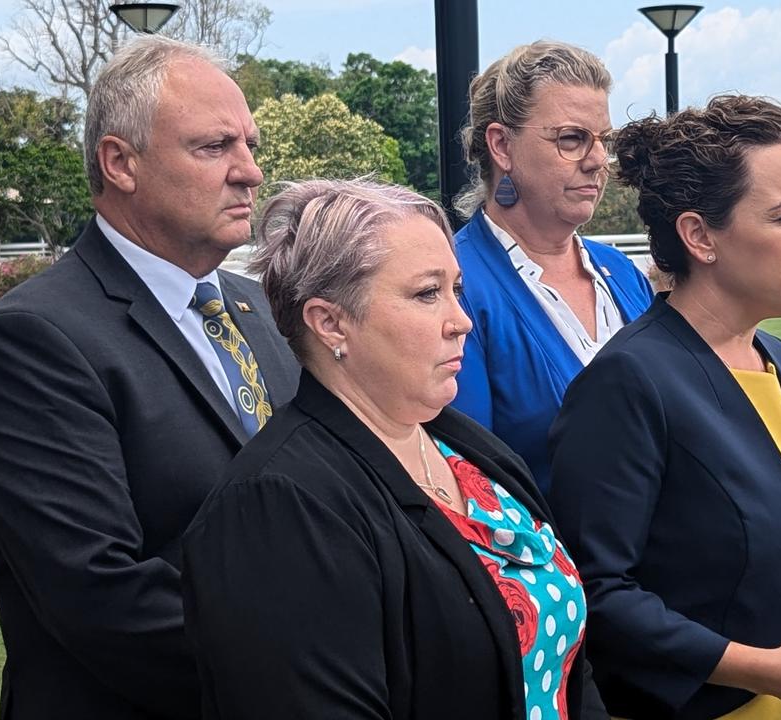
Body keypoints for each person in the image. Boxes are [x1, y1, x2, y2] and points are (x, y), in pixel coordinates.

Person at [182, 179, 606, 720]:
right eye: (427, 294)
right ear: (330, 322)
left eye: (457, 289)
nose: (462, 321)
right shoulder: (278, 506)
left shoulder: (467, 447)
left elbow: (571, 667)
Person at [0, 36, 298, 720]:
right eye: (215, 147)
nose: (250, 173)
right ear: (121, 162)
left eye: (251, 146)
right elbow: (99, 594)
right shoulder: (37, 338)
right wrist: (313, 664)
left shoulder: (260, 309)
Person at [547, 96, 781, 720]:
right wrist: (766, 668)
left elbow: (773, 550)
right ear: (699, 236)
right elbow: (597, 593)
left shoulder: (775, 359)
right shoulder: (630, 382)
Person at [450, 41, 653, 493]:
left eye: (605, 141)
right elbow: (470, 478)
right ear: (501, 146)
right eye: (571, 138)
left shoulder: (622, 274)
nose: (599, 160)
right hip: (542, 559)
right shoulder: (454, 285)